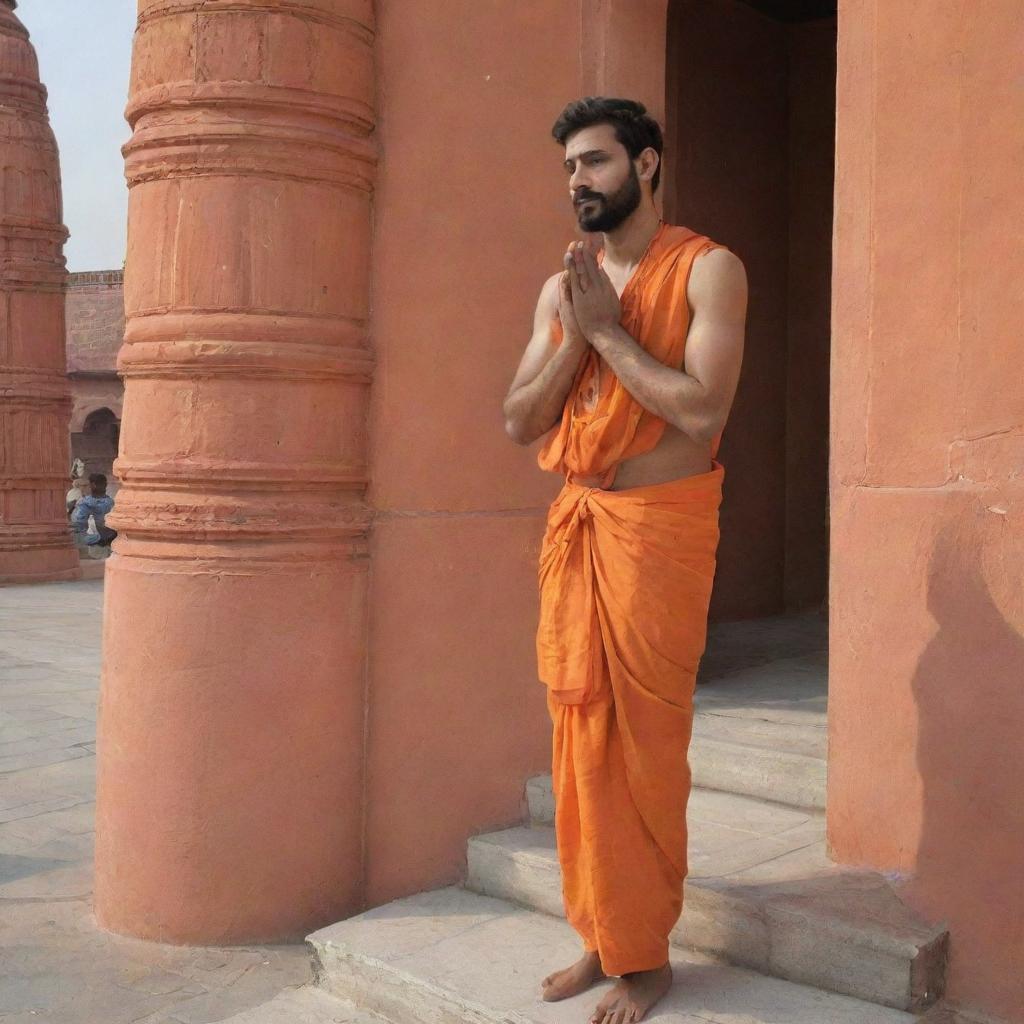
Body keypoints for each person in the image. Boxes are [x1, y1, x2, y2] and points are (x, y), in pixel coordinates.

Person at [503, 97, 747, 1024]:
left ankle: (648, 957)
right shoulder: (560, 288)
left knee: (644, 752)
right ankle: (602, 935)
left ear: (646, 165)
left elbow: (699, 413)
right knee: (580, 749)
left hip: (658, 532)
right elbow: (521, 419)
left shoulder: (709, 271)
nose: (579, 182)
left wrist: (607, 332)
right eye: (570, 167)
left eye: (596, 163)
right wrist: (576, 333)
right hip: (582, 526)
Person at [71, 473, 117, 547]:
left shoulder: (85, 503)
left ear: (93, 485)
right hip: (108, 536)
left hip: (96, 538)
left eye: (87, 485)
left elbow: (78, 523)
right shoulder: (112, 502)